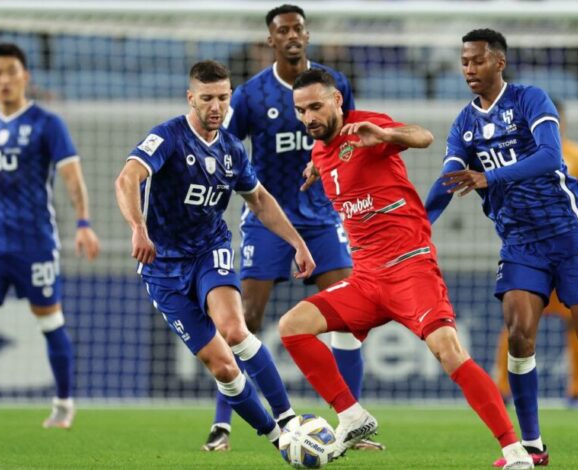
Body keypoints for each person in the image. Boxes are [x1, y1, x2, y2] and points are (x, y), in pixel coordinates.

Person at [424, 29, 578, 467]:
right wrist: (419, 226)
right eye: (464, 61)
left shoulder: (530, 100)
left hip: (569, 232)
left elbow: (549, 157)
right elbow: (450, 179)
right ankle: (533, 445)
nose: (468, 69)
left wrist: (489, 177)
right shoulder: (465, 122)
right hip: (520, 241)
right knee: (519, 333)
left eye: (477, 60)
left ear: (499, 62)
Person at [278, 68, 536, 470]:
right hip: (365, 279)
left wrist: (387, 136)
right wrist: (315, 169)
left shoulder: (366, 127)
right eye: (300, 110)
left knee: (449, 352)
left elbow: (423, 136)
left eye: (315, 106)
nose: (308, 117)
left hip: (409, 268)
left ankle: (514, 451)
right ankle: (352, 416)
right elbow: (334, 168)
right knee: (292, 326)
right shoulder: (319, 153)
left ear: (336, 103)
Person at [206, 3, 381, 452]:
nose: (291, 36)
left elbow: (353, 136)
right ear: (270, 41)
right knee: (246, 319)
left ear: (306, 34)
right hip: (268, 220)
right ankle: (224, 423)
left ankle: (351, 423)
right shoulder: (249, 95)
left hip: (323, 217)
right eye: (282, 30)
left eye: (298, 29)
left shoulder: (333, 83)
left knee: (349, 313)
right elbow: (225, 145)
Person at [115, 60, 315, 451]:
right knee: (223, 367)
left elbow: (258, 198)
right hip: (163, 268)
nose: (216, 107)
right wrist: (138, 228)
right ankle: (279, 441)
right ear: (191, 98)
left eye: (223, 98)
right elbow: (127, 178)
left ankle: (289, 418)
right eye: (207, 98)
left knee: (235, 329)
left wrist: (298, 242)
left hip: (210, 250)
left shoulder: (232, 150)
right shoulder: (168, 137)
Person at [0, 43, 100, 429]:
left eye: (9, 71)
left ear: (25, 76)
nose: (3, 79)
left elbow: (72, 177)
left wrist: (84, 223)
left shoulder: (46, 123)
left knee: (49, 321)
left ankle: (63, 404)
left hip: (34, 244)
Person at [492, 99, 578, 409]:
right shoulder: (515, 156)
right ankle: (501, 387)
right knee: (517, 324)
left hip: (569, 252)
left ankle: (576, 389)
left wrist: (575, 216)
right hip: (531, 254)